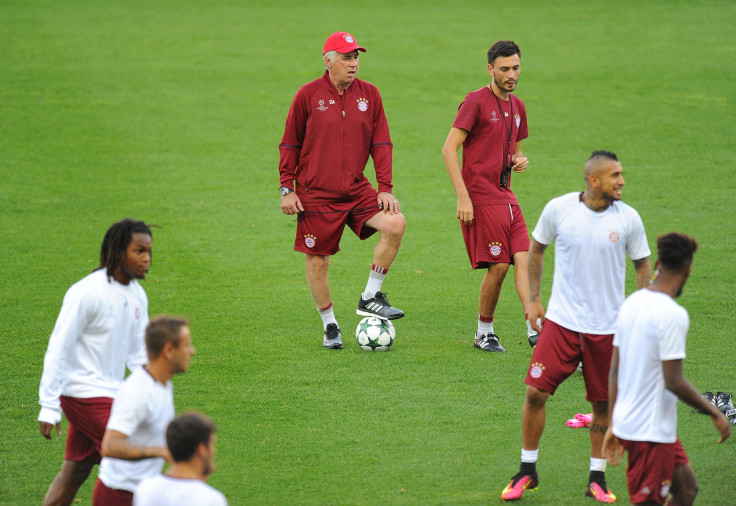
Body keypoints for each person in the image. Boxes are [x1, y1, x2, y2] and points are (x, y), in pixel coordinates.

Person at [501, 150, 652, 502]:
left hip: (607, 329)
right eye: (615, 175)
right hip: (562, 323)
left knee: (602, 404)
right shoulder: (560, 209)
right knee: (535, 392)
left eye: (622, 173)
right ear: (593, 180)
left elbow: (642, 265)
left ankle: (596, 478)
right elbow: (535, 250)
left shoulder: (628, 219)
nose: (622, 181)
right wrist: (535, 300)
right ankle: (527, 471)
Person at [279, 31, 406, 349]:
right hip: (315, 193)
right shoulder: (308, 95)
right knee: (317, 261)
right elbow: (290, 143)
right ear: (328, 61)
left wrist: (385, 187)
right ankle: (330, 325)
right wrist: (286, 188)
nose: (353, 64)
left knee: (395, 223)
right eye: (347, 57)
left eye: (356, 57)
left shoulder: (370, 95)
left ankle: (369, 296)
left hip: (355, 189)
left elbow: (382, 142)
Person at [603, 233, 730, 505]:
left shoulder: (632, 302)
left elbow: (614, 369)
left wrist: (614, 421)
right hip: (647, 433)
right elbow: (673, 380)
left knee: (687, 491)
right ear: (688, 270)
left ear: (658, 263)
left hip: (651, 427)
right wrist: (714, 411)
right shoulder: (672, 314)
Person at [37, 218, 154, 506]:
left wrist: (149, 397)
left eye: (149, 251)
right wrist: (49, 405)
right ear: (117, 251)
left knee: (74, 473)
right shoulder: (86, 292)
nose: (147, 259)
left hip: (109, 393)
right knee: (133, 464)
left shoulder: (137, 295)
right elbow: (59, 346)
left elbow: (140, 356)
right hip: (83, 394)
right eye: (139, 251)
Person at [442, 40, 537, 353]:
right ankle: (484, 332)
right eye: (505, 69)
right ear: (490, 69)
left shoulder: (518, 106)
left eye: (516, 67)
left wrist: (518, 161)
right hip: (481, 198)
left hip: (507, 197)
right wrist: (462, 197)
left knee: (524, 259)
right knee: (499, 266)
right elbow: (448, 149)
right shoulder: (475, 102)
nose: (511, 74)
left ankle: (534, 328)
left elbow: (514, 152)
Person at [92, 316, 196, 506]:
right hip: (119, 496)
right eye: (186, 345)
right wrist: (161, 451)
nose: (192, 351)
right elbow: (110, 445)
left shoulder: (163, 383)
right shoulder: (138, 391)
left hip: (144, 493)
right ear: (169, 350)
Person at [134, 412, 227, 506]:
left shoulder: (146, 490)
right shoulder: (211, 500)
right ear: (201, 450)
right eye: (211, 445)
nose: (213, 451)